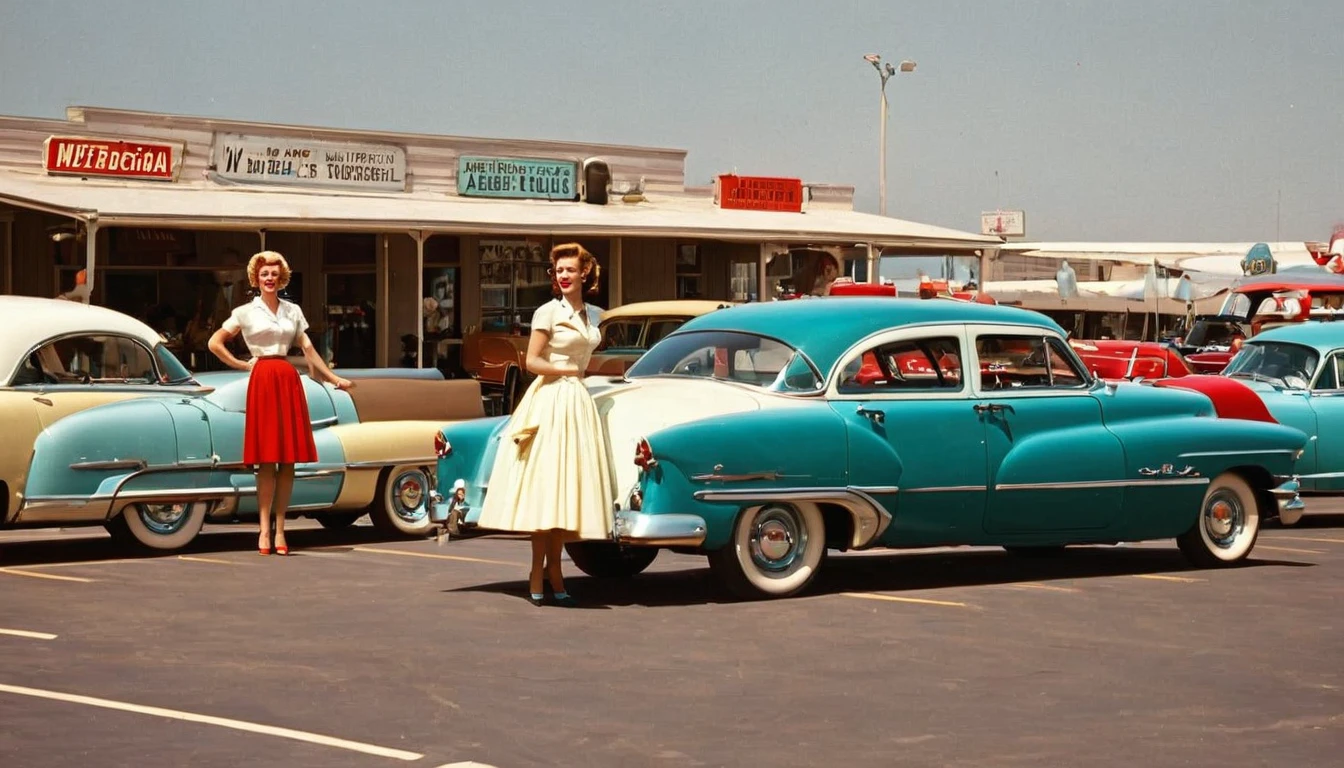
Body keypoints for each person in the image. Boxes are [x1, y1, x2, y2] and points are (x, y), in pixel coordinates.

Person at [475, 242, 615, 607]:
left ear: (584, 273)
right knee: (547, 491)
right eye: (559, 271)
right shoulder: (547, 313)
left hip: (577, 402)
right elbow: (532, 362)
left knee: (566, 493)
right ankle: (538, 571)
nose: (564, 276)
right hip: (551, 400)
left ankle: (557, 570)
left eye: (571, 270)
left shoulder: (591, 315)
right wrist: (567, 369)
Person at [207, 251, 354, 557]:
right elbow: (215, 343)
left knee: (287, 460)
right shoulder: (245, 312)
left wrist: (333, 378)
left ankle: (281, 529)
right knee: (266, 460)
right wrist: (240, 364)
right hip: (262, 377)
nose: (269, 278)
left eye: (274, 274)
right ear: (256, 279)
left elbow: (309, 349)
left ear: (281, 277)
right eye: (264, 274)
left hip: (287, 378)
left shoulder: (293, 311)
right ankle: (263, 530)